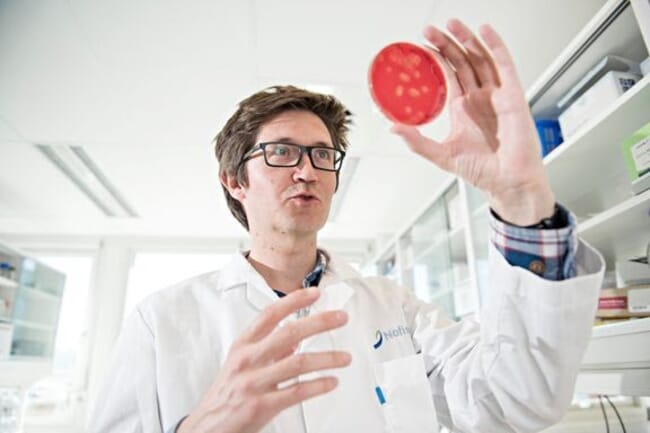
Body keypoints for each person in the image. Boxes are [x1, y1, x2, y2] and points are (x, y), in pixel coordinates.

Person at [90, 19, 604, 433]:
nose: (307, 169)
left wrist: (521, 201)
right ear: (234, 181)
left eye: (322, 154)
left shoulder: (392, 307)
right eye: (281, 152)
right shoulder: (163, 321)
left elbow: (514, 402)